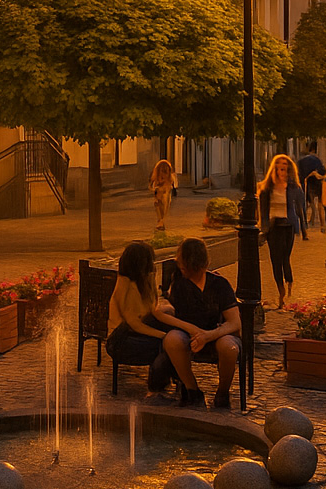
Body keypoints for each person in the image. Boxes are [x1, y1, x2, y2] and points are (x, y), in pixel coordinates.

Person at [158, 238, 243, 410]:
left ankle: (222, 393)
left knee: (229, 347)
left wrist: (208, 336)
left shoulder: (219, 284)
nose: (180, 265)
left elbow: (235, 322)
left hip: (217, 334)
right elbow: (168, 313)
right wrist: (193, 331)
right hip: (190, 335)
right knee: (172, 340)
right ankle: (192, 390)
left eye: (183, 263)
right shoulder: (179, 284)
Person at [106, 241, 192, 401]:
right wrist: (163, 336)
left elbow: (153, 309)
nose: (153, 264)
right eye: (150, 262)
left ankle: (180, 381)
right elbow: (134, 324)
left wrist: (151, 280)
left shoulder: (142, 282)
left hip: (136, 331)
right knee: (164, 345)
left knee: (173, 334)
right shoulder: (127, 286)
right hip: (121, 339)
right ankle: (155, 388)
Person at [258, 154, 306, 309]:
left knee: (286, 256)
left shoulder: (293, 187)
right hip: (274, 226)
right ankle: (281, 291)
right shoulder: (267, 188)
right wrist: (263, 228)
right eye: (279, 164)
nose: (282, 167)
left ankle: (289, 283)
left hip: (288, 225)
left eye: (285, 164)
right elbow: (263, 211)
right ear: (274, 167)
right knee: (276, 259)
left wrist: (303, 227)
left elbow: (300, 207)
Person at [295, 142, 325, 232]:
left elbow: (298, 173)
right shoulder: (317, 160)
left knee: (305, 203)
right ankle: (322, 224)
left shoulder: (301, 161)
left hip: (305, 184)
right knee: (319, 204)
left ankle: (305, 222)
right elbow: (322, 171)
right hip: (317, 184)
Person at [149, 159, 177, 230]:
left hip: (163, 190)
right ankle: (161, 221)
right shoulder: (161, 172)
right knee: (160, 204)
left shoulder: (161, 171)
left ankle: (161, 221)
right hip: (160, 190)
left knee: (162, 204)